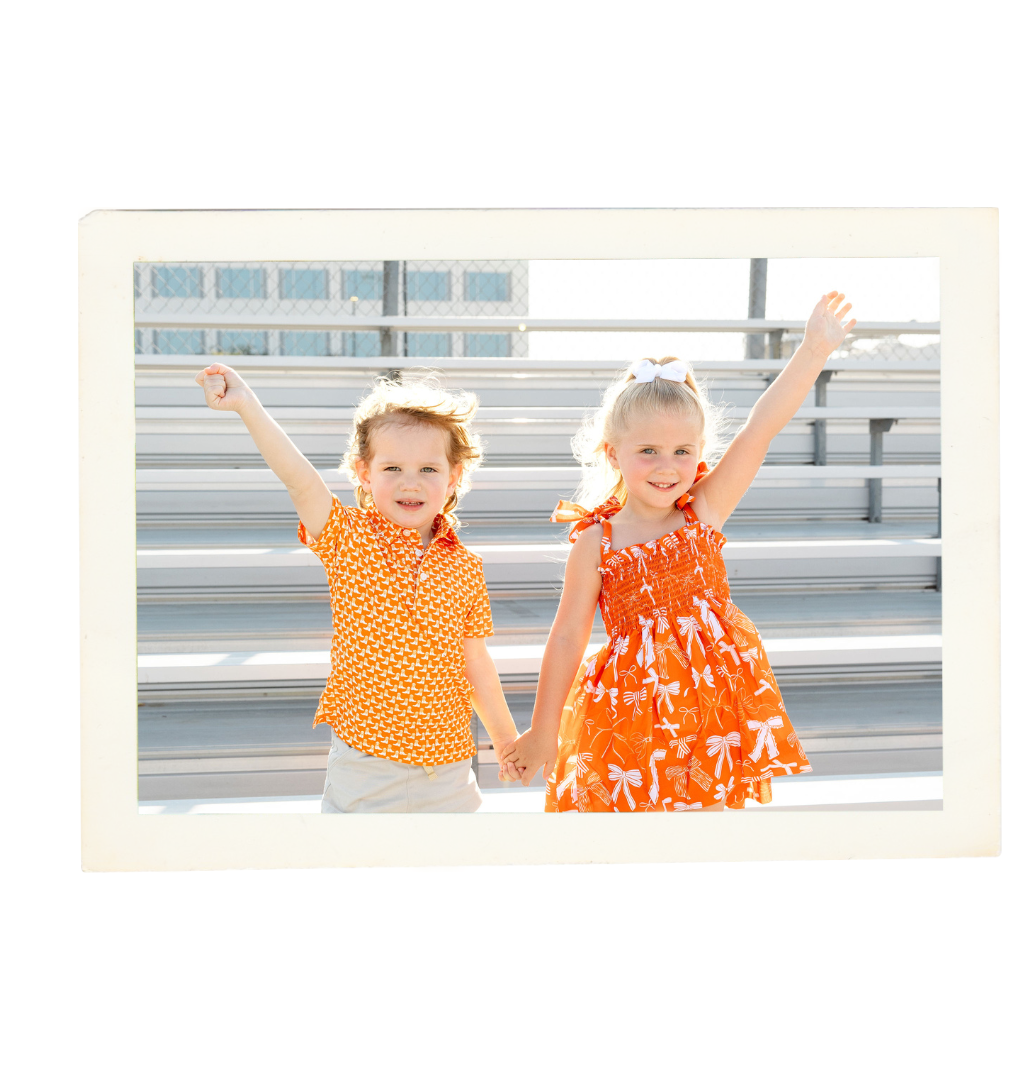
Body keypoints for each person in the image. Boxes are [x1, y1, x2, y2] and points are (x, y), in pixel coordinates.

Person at [501, 292, 857, 811]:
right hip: (631, 714)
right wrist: (543, 730)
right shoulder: (596, 540)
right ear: (613, 454)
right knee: (634, 831)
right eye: (648, 451)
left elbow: (762, 427)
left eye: (682, 452)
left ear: (698, 455)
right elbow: (566, 637)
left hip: (713, 709)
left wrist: (813, 351)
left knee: (707, 830)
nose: (667, 467)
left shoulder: (704, 510)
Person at [194, 364, 522, 812]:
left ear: (454, 476)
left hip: (448, 773)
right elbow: (299, 478)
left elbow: (475, 659)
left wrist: (505, 739)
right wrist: (247, 405)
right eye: (393, 467)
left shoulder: (465, 566)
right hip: (365, 771)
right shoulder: (349, 538)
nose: (411, 481)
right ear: (363, 472)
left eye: (428, 467)